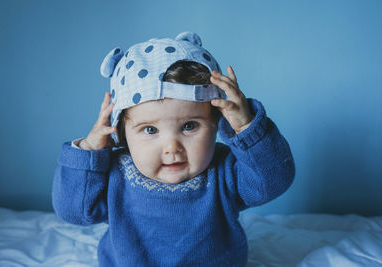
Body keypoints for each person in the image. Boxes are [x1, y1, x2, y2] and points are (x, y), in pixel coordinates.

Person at [52, 31, 295, 266]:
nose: (171, 147)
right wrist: (89, 152)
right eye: (150, 130)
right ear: (121, 132)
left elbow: (274, 180)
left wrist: (247, 127)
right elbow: (74, 211)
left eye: (190, 126)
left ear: (217, 123)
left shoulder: (224, 171)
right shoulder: (116, 174)